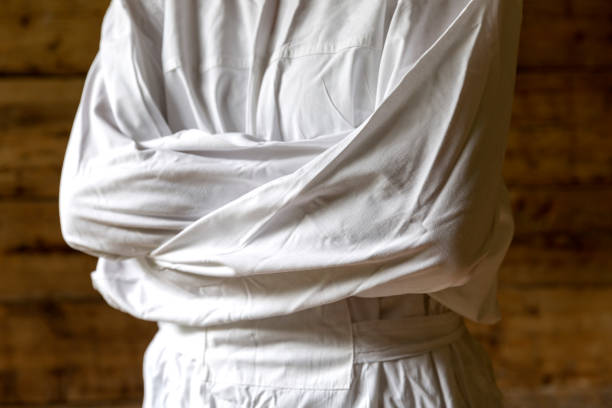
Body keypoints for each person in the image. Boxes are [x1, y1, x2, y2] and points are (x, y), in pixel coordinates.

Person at [58, 0, 523, 406]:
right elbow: (89, 205)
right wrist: (354, 186)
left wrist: (171, 218)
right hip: (188, 382)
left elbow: (434, 227)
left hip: (387, 382)